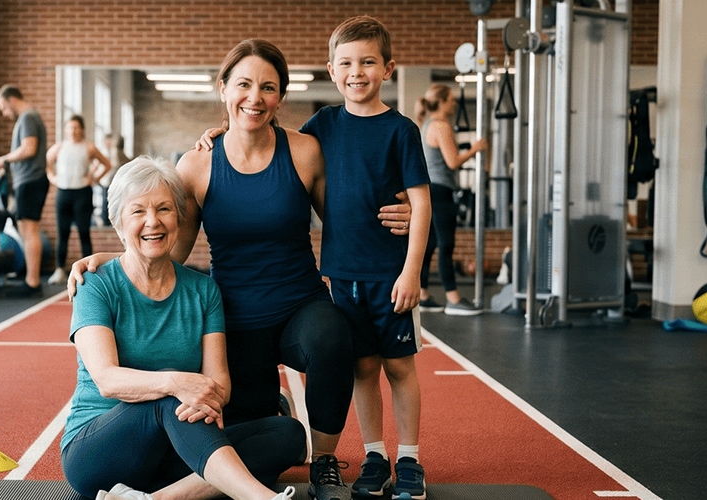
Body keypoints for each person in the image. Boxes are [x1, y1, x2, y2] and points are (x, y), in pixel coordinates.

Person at [77, 39, 414, 500]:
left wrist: (408, 218)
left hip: (300, 302)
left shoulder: (304, 151)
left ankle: (325, 464)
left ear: (280, 97)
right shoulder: (196, 164)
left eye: (268, 87)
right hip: (231, 315)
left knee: (334, 337)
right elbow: (171, 246)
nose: (254, 98)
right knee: (246, 438)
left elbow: (345, 222)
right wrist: (112, 262)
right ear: (223, 90)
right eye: (244, 85)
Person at [62, 157, 301, 500]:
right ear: (117, 223)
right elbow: (107, 379)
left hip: (175, 449)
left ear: (180, 217)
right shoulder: (95, 285)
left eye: (164, 209)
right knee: (167, 398)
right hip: (98, 456)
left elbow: (220, 386)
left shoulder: (203, 290)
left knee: (286, 433)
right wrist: (175, 382)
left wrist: (199, 393)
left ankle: (156, 498)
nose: (152, 221)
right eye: (138, 212)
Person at [302, 17, 434, 500]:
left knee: (399, 368)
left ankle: (411, 458)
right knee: (362, 368)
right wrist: (218, 130)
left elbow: (421, 202)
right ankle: (376, 455)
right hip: (344, 274)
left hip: (391, 274)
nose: (356, 72)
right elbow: (275, 146)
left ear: (388, 68)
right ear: (332, 71)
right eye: (346, 63)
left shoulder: (401, 130)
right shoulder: (321, 126)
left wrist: (412, 270)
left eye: (367, 62)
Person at [414, 83, 489, 316]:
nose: (454, 103)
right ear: (443, 101)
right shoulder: (441, 125)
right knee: (446, 246)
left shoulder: (427, 124)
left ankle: (423, 295)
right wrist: (476, 148)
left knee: (431, 246)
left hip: (431, 190)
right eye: (451, 99)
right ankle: (453, 299)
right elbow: (453, 162)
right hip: (441, 191)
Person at [0, 84, 49, 297]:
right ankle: (30, 280)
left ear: (11, 99)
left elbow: (29, 148)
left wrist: (2, 160)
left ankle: (32, 283)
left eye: (3, 107)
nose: (5, 114)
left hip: (31, 180)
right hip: (30, 180)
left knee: (30, 230)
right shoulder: (30, 117)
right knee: (26, 230)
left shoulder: (27, 118)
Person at [47, 115, 113, 285]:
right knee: (63, 233)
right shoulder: (59, 147)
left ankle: (87, 271)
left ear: (81, 129)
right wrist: (52, 177)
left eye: (76, 127)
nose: (73, 131)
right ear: (66, 130)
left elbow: (107, 164)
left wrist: (95, 179)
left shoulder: (88, 147)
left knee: (84, 233)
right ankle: (60, 269)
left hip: (82, 194)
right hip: (63, 193)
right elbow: (46, 162)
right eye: (70, 127)